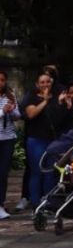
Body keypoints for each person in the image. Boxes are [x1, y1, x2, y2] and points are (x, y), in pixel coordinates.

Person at [21, 69, 70, 209]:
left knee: (50, 171)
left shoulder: (57, 96)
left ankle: (49, 201)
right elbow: (31, 114)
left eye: (48, 81)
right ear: (37, 84)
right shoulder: (31, 97)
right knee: (37, 171)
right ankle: (36, 202)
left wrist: (63, 104)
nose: (45, 84)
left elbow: (59, 118)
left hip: (52, 139)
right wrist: (45, 100)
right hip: (36, 139)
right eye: (42, 82)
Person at [0, 70, 21, 219]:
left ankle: (1, 204)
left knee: (3, 173)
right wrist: (2, 111)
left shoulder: (10, 96)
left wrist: (12, 111)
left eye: (2, 80)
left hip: (7, 138)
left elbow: (17, 116)